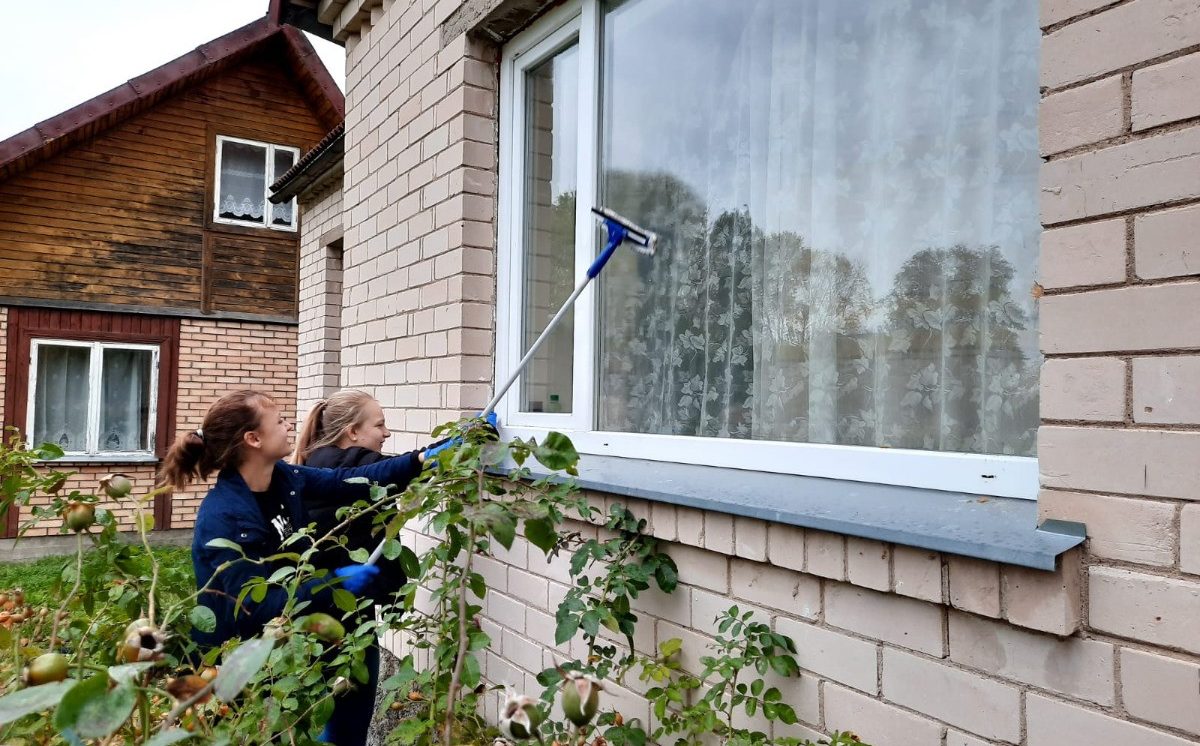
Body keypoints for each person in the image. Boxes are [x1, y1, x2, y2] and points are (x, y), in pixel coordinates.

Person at [160, 390, 425, 744]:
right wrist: (335, 583)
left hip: (280, 646)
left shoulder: (283, 478)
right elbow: (254, 604)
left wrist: (421, 459)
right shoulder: (225, 516)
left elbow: (348, 481)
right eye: (280, 421)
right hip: (238, 663)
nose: (289, 426)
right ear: (253, 439)